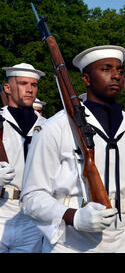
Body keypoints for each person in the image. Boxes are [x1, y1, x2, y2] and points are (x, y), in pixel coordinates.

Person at [20, 45, 125, 253]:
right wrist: (73, 216)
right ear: (86, 79)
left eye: (120, 71)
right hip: (71, 244)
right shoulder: (55, 128)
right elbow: (31, 198)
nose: (116, 76)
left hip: (123, 242)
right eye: (106, 69)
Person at [0, 63, 45, 252]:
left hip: (31, 218)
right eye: (23, 83)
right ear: (8, 88)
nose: (29, 89)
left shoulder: (48, 127)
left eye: (34, 85)